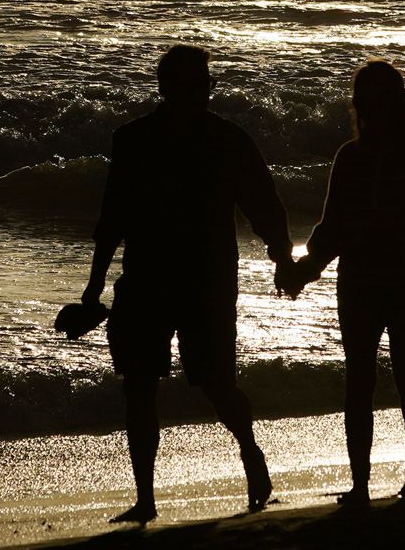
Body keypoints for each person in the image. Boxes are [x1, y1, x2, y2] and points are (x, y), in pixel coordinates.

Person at [81, 44, 295, 524]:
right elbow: (111, 218)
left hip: (208, 281)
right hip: (145, 280)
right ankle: (145, 498)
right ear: (167, 88)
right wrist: (93, 289)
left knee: (216, 382)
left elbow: (265, 205)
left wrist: (283, 257)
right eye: (195, 84)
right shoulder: (133, 140)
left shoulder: (228, 139)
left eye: (207, 84)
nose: (205, 91)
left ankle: (250, 450)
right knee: (138, 385)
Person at [278, 59, 405, 505]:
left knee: (363, 381)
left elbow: (334, 228)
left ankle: (367, 484)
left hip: (373, 282)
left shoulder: (359, 157)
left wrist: (305, 269)